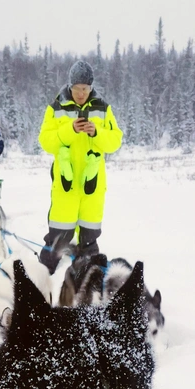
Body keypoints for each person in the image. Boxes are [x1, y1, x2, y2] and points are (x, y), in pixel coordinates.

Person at [37, 60, 123, 274]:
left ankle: (90, 288)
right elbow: (45, 141)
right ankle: (39, 283)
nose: (81, 93)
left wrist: (96, 132)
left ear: (91, 87)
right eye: (77, 89)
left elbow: (115, 141)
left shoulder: (103, 108)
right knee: (57, 239)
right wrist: (70, 129)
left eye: (84, 89)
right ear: (70, 86)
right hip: (65, 187)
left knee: (89, 241)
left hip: (91, 187)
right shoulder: (56, 107)